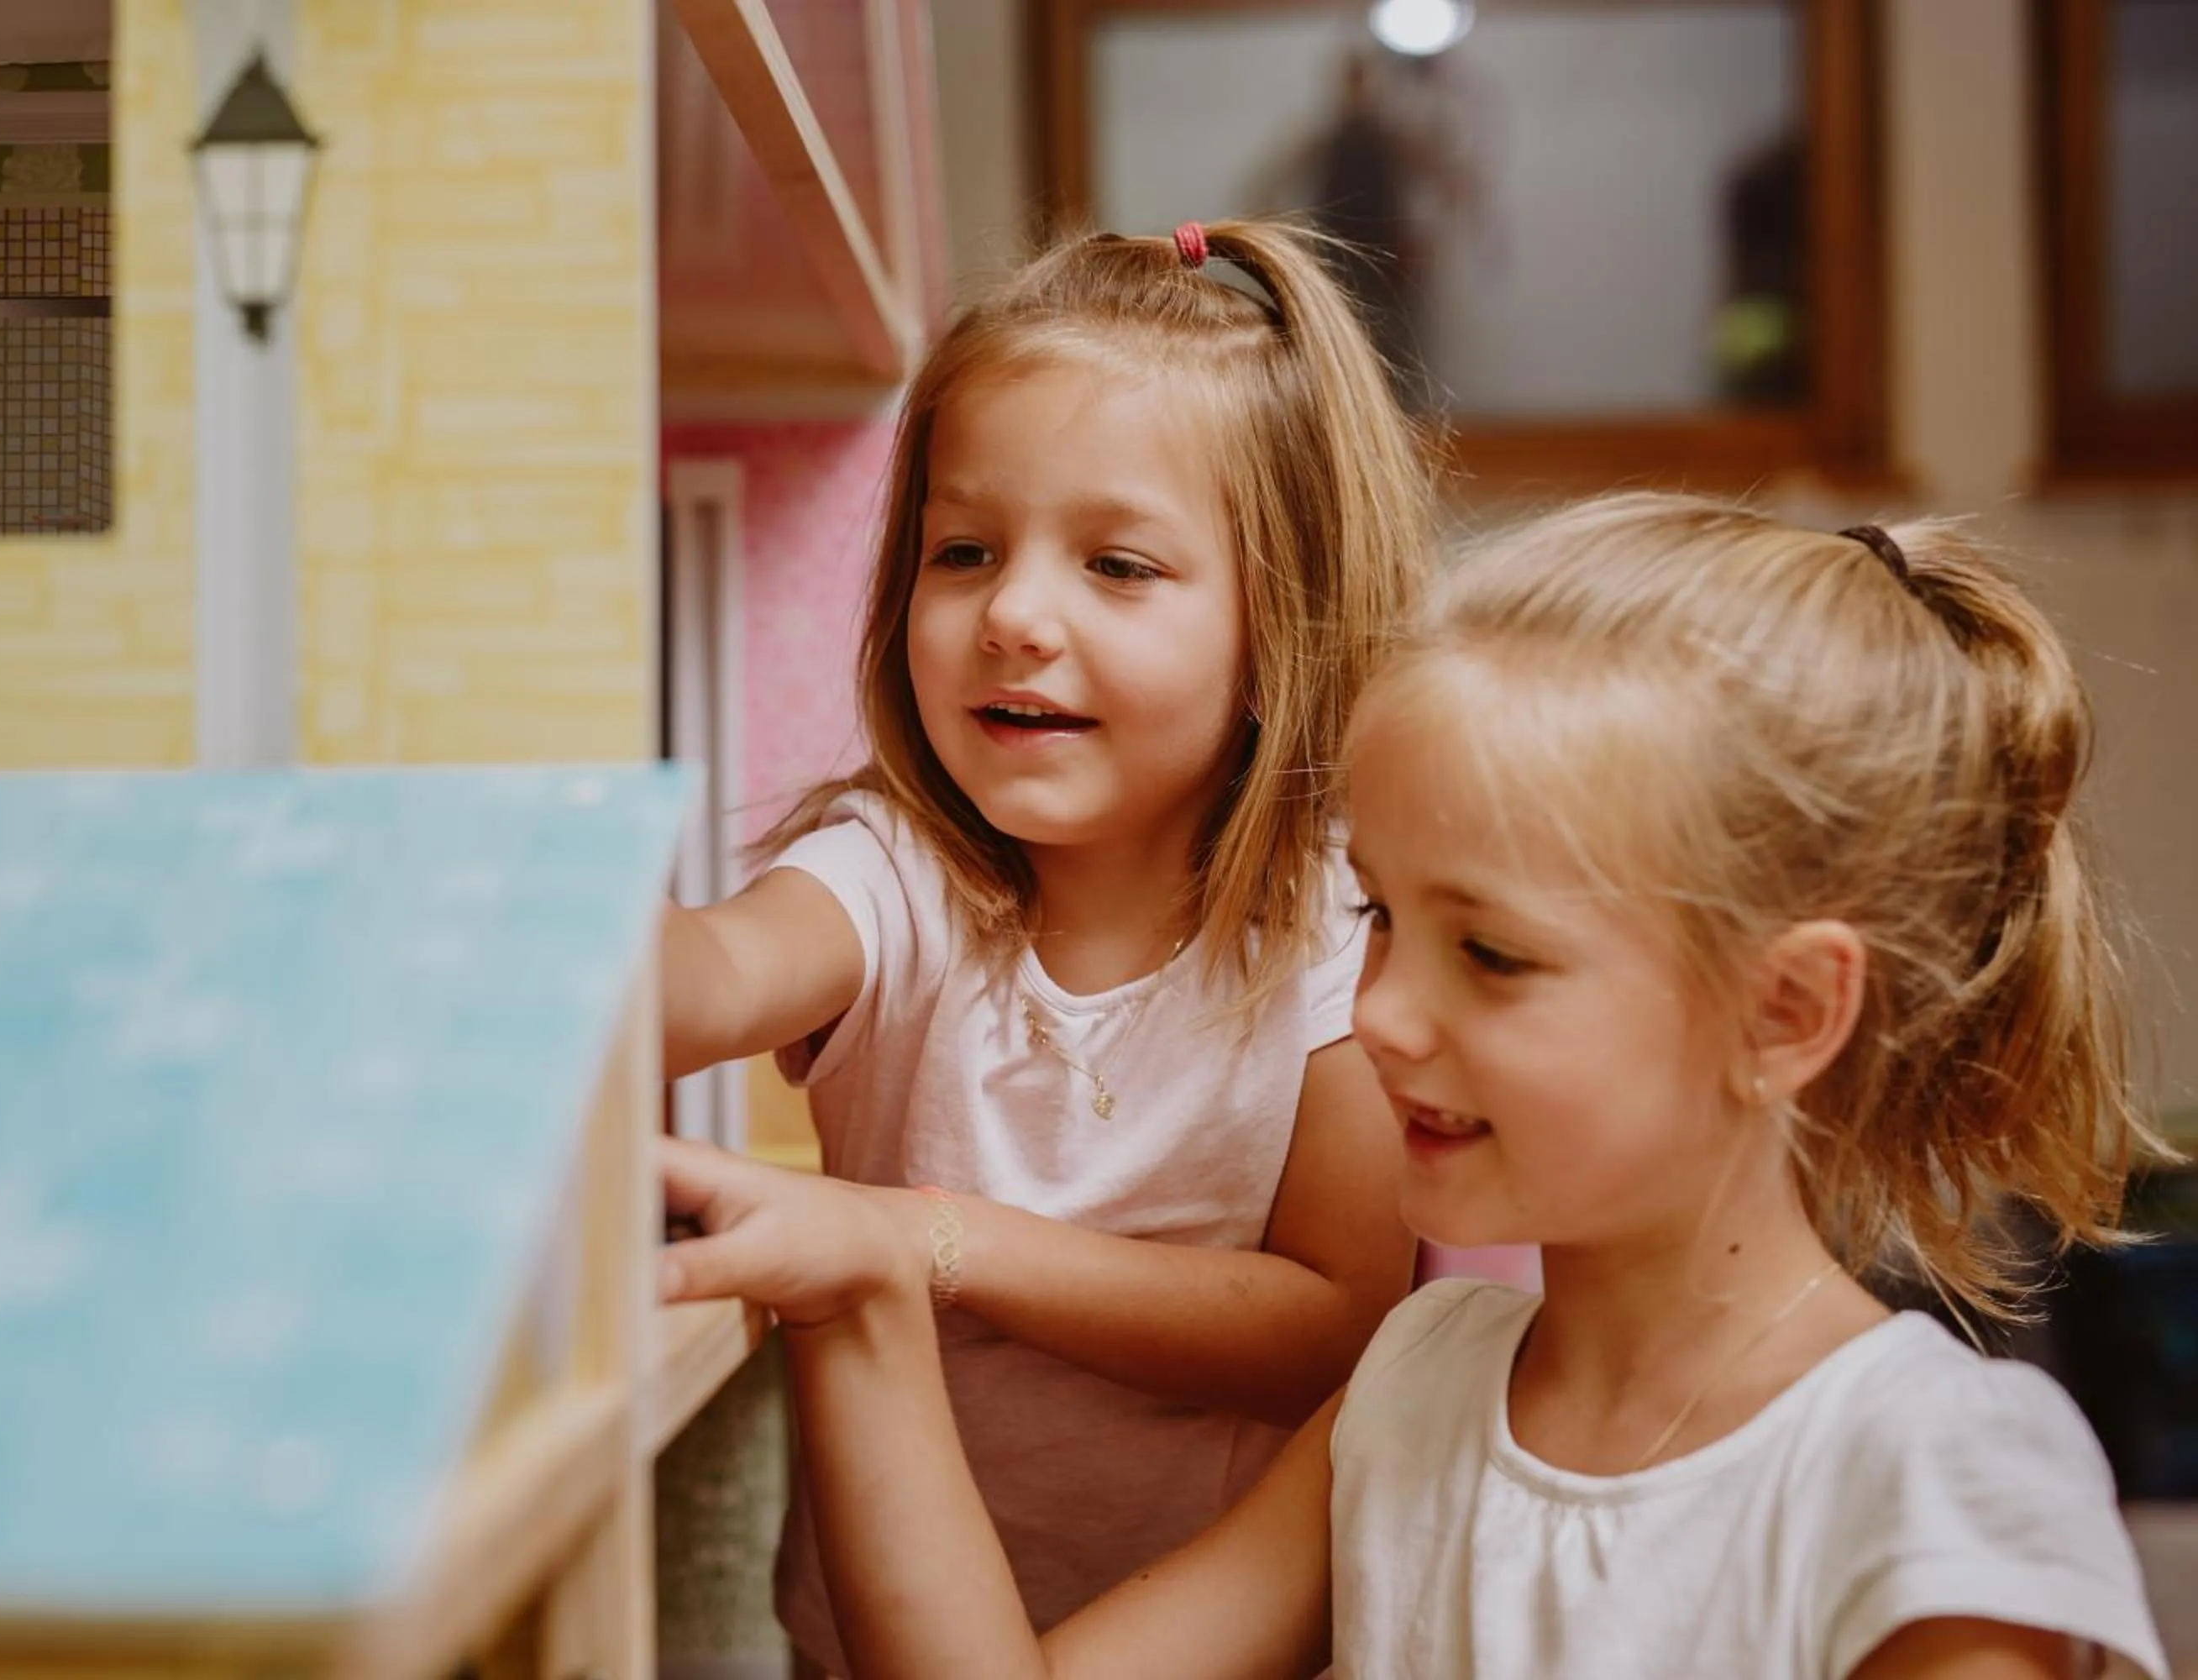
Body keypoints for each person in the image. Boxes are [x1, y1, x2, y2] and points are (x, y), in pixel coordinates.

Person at [662, 494, 2173, 1679]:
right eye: (1380, 918)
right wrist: (865, 1292)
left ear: (1785, 1011)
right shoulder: (1416, 1389)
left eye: (1495, 957)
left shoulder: (1942, 1484)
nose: (1379, 1016)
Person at [658, 218, 1435, 1675]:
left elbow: (1331, 1329)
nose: (1012, 614)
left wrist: (927, 1245)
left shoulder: (1344, 930)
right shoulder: (894, 874)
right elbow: (712, 976)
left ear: (1284, 624)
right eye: (964, 551)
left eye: (1119, 567)